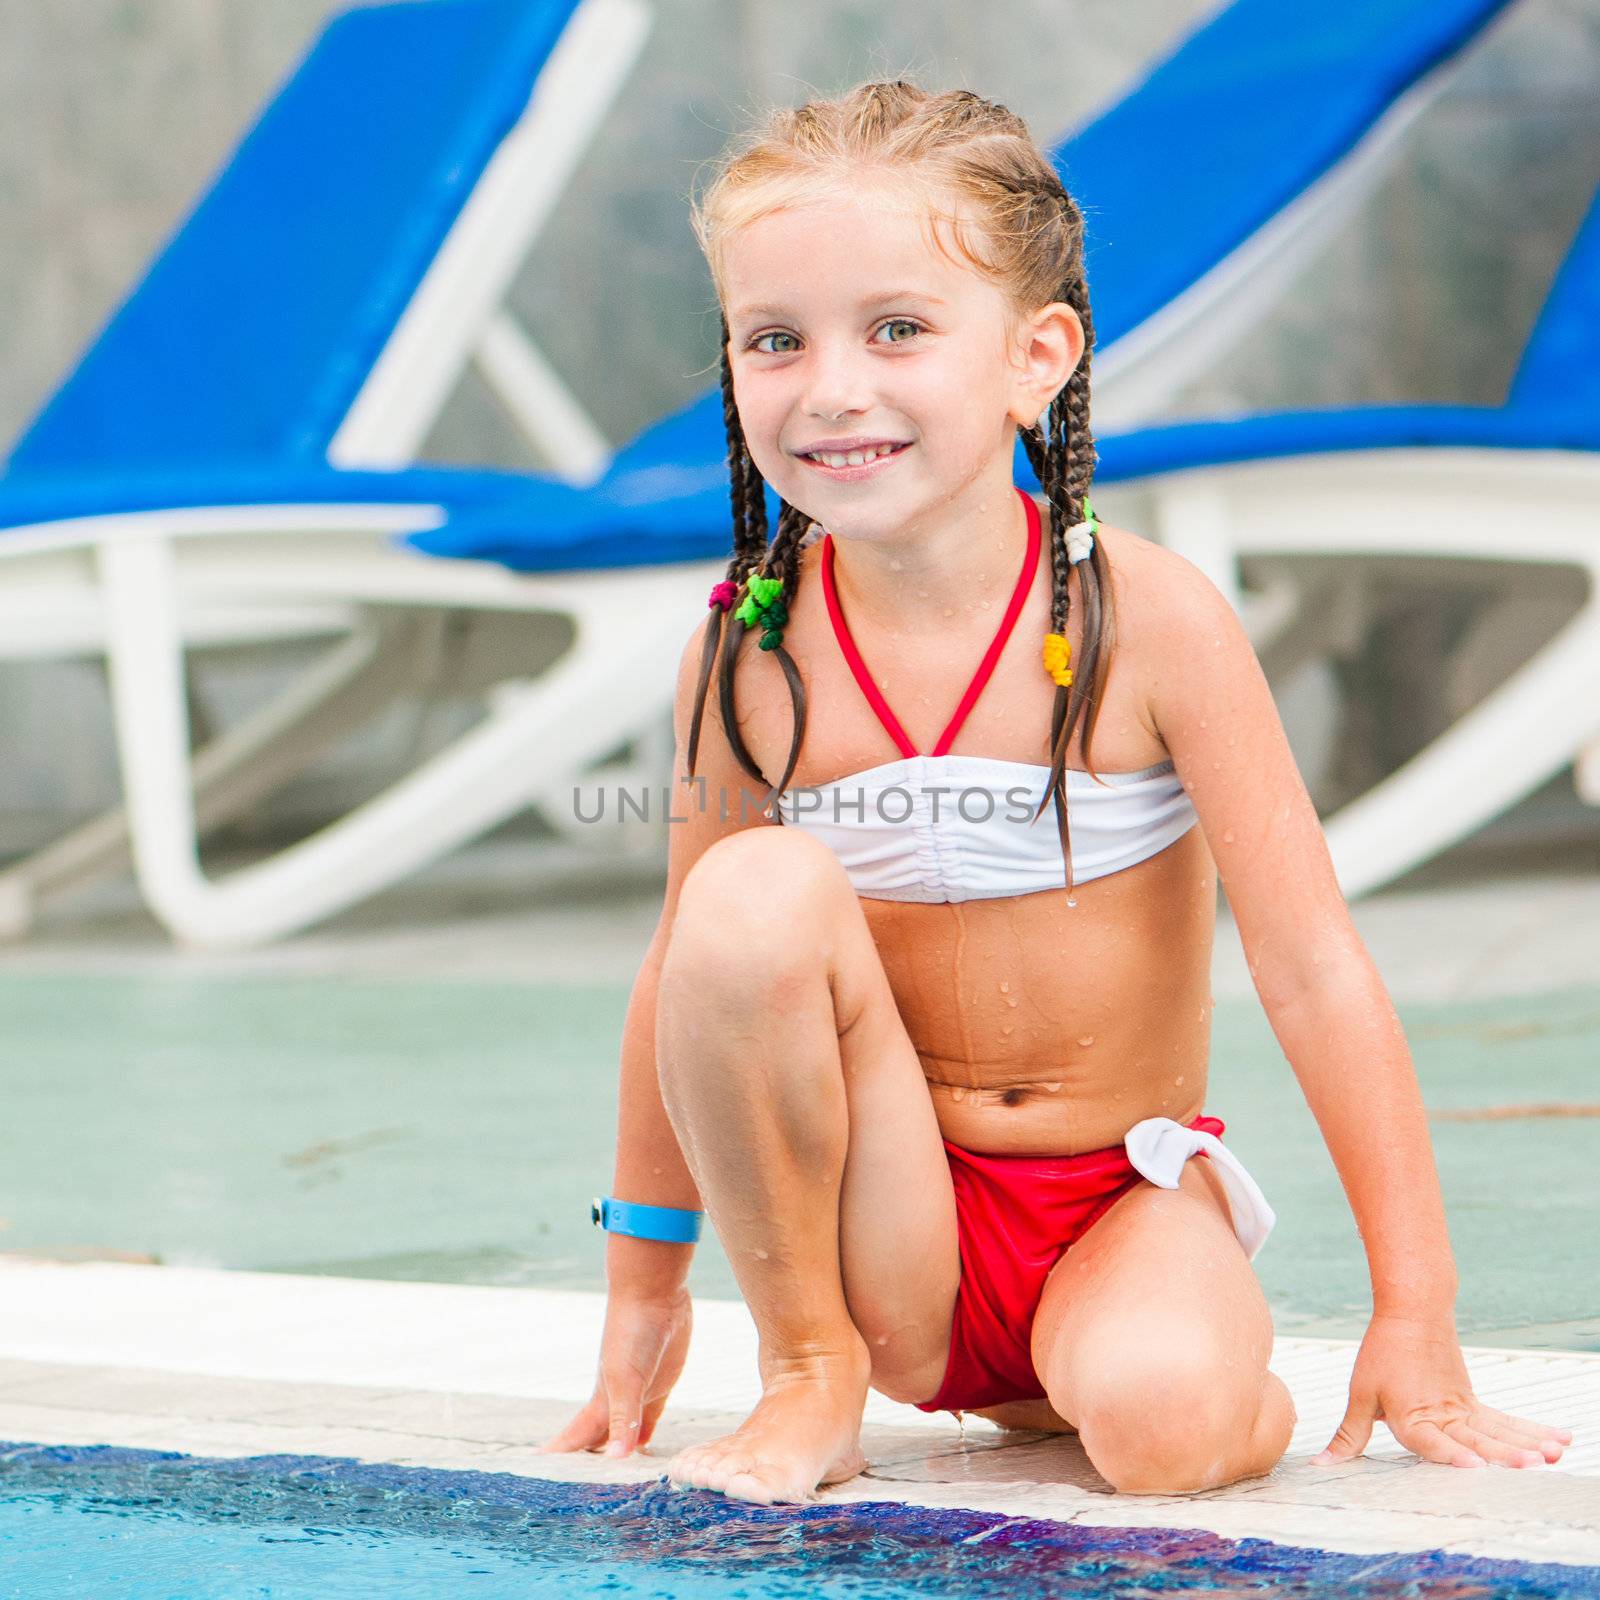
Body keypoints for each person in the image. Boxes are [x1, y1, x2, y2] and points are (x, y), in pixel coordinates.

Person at [544, 80, 1573, 1505]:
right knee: (744, 891)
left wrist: (1417, 1309)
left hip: (1109, 1207)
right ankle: (808, 1371)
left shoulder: (1145, 622)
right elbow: (684, 977)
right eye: (775, 340)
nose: (832, 385)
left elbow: (1312, 962)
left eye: (897, 329)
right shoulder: (754, 647)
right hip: (888, 1236)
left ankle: (1148, 1367)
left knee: (1164, 1439)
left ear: (1038, 358)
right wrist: (641, 1280)